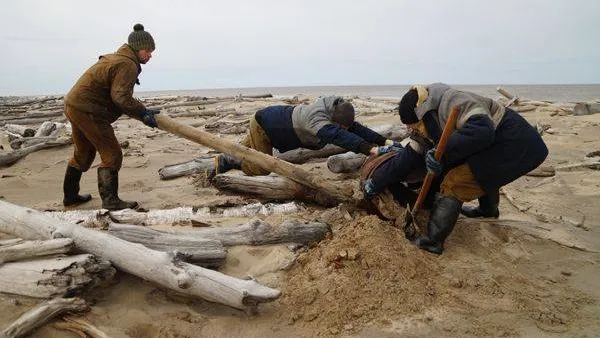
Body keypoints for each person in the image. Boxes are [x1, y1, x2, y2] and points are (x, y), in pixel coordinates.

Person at [365, 83, 548, 254]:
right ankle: (488, 210)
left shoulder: (454, 101)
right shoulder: (427, 118)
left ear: (423, 115)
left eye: (417, 127)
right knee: (480, 172)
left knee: (456, 181)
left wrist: (442, 152)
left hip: (514, 141)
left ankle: (433, 241)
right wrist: (377, 180)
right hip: (497, 142)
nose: (417, 131)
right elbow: (408, 157)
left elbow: (482, 131)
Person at [62, 23, 160, 210]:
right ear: (137, 49)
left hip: (73, 105)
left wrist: (141, 111)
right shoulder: (127, 64)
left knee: (84, 153)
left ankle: (70, 197)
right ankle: (111, 201)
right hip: (89, 110)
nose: (150, 54)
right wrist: (143, 112)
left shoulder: (118, 58)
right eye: (147, 50)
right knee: (112, 154)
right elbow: (121, 98)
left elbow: (118, 96)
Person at [212, 96, 401, 176]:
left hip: (273, 120)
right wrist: (373, 150)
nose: (344, 128)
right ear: (335, 121)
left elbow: (356, 129)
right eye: (342, 126)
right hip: (265, 127)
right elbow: (341, 137)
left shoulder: (334, 111)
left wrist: (385, 141)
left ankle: (220, 163)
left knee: (242, 150)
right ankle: (230, 162)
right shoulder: (318, 121)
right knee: (261, 168)